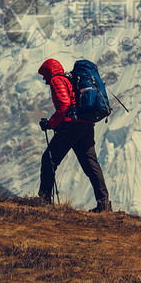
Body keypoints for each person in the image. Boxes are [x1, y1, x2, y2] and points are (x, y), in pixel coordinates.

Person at [37, 58, 111, 212]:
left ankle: (44, 201)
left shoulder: (57, 80)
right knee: (91, 165)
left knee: (49, 159)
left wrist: (50, 124)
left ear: (48, 71)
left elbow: (64, 106)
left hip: (72, 125)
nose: (44, 80)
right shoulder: (72, 80)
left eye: (44, 75)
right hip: (86, 125)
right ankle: (104, 204)